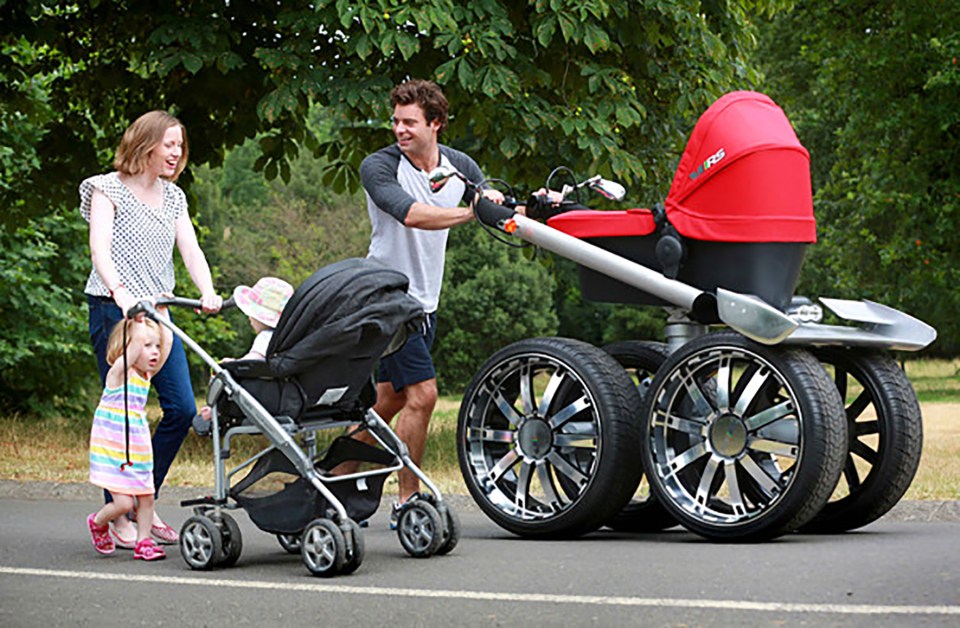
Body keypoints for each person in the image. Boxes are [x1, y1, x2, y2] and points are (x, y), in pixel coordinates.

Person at [358, 79, 503, 525]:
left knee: (389, 401)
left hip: (425, 302)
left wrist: (522, 204)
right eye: (395, 120)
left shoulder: (459, 166)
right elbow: (412, 214)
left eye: (409, 122)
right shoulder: (378, 166)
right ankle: (407, 500)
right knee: (424, 395)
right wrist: (472, 211)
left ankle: (331, 476)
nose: (399, 129)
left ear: (435, 123)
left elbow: (492, 201)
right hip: (386, 299)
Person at [80, 110, 223, 549]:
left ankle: (145, 499)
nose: (177, 153)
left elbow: (191, 249)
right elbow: (99, 247)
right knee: (125, 416)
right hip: (116, 311)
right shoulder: (106, 188)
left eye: (181, 146)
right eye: (170, 144)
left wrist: (208, 290)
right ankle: (118, 514)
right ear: (145, 145)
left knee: (180, 408)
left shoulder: (174, 197)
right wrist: (120, 291)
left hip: (159, 314)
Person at [87, 315, 173, 561]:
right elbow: (134, 347)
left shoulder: (146, 375)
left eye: (154, 346)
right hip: (112, 446)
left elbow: (167, 344)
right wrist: (137, 318)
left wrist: (163, 314)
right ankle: (98, 521)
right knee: (124, 504)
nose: (154, 351)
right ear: (127, 346)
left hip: (137, 442)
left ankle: (143, 541)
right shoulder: (118, 374)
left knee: (146, 496)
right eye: (148, 346)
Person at [192, 276, 294, 435]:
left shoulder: (267, 338)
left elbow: (251, 363)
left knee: (225, 373)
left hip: (264, 401)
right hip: (290, 397)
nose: (248, 317)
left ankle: (216, 411)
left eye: (251, 313)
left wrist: (231, 363)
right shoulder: (293, 339)